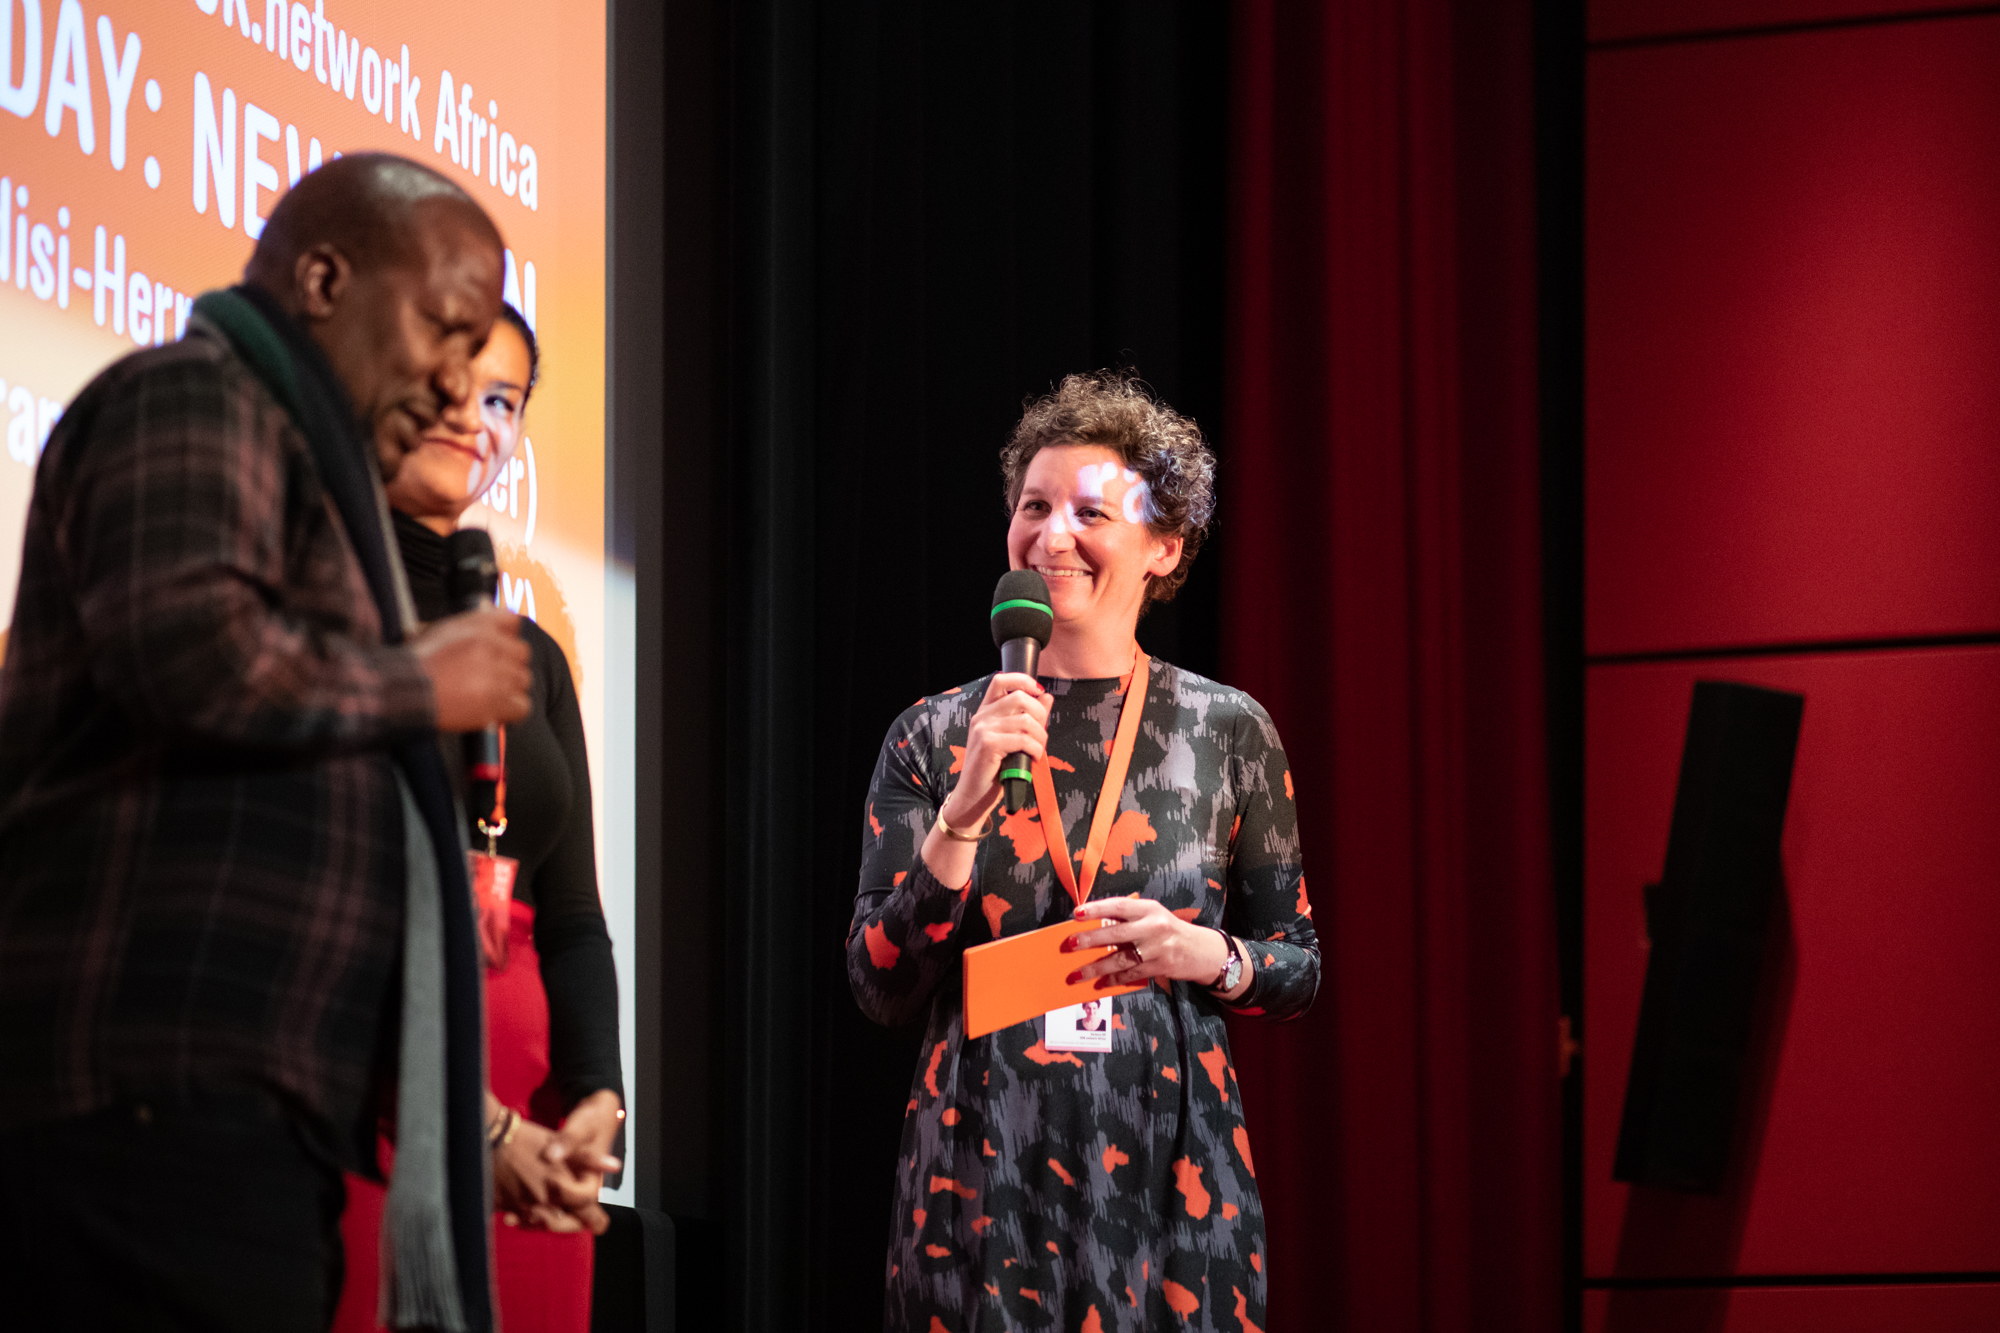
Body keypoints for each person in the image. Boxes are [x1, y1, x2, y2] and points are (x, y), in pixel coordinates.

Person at [0, 154, 529, 1332]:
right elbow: (188, 652)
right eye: (443, 331)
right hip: (143, 1106)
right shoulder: (197, 395)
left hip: (238, 1124)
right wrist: (416, 680)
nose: (457, 386)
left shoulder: (321, 494)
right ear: (325, 280)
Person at [848, 370, 1320, 1332]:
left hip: (1172, 1193)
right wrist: (962, 815)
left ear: (1164, 546)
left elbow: (1297, 966)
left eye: (1090, 512)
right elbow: (879, 984)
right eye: (1034, 506)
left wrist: (1203, 952)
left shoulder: (1228, 730)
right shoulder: (934, 735)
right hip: (977, 1192)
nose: (1051, 536)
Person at [331, 304, 624, 1333]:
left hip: (536, 1132)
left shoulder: (530, 653)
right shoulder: (325, 613)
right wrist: (475, 1125)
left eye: (503, 400)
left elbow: (575, 917)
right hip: (373, 1090)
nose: (474, 418)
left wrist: (597, 1103)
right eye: (454, 383)